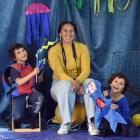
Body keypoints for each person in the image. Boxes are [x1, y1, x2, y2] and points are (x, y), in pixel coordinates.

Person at [48, 21, 99, 135]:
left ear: (75, 33)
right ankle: (66, 123)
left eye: (71, 31)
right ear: (60, 33)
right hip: (60, 85)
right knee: (66, 84)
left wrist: (79, 82)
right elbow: (59, 73)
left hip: (80, 82)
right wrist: (75, 84)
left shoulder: (82, 48)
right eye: (65, 30)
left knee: (91, 82)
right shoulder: (53, 50)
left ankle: (92, 123)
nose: (68, 33)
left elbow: (86, 70)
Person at [8, 43, 44, 128]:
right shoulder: (13, 68)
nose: (23, 53)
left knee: (39, 97)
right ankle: (14, 120)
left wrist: (38, 78)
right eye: (19, 52)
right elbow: (19, 82)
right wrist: (32, 73)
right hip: (19, 94)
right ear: (14, 57)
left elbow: (32, 82)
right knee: (17, 115)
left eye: (23, 50)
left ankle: (33, 117)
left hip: (30, 92)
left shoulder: (29, 67)